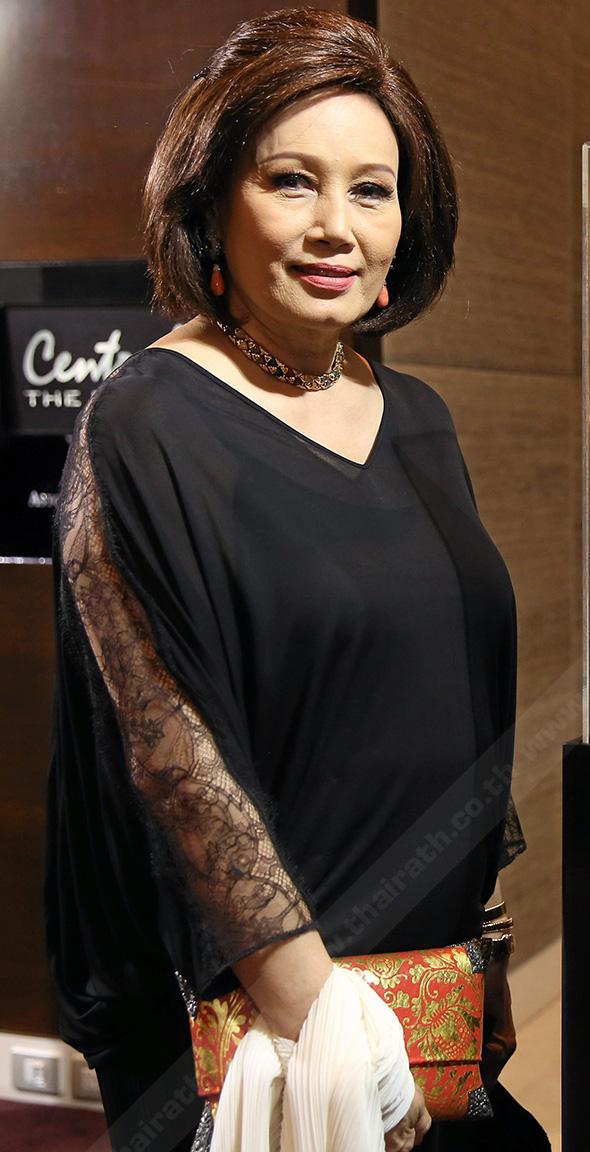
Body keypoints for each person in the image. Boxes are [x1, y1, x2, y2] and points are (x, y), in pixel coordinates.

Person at [44, 10, 548, 1150]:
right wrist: (329, 1029)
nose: (336, 226)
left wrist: (483, 964)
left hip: (427, 984)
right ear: (212, 200)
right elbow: (172, 757)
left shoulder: (417, 416)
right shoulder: (147, 420)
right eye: (290, 181)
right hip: (267, 1019)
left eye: (372, 190)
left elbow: (459, 707)